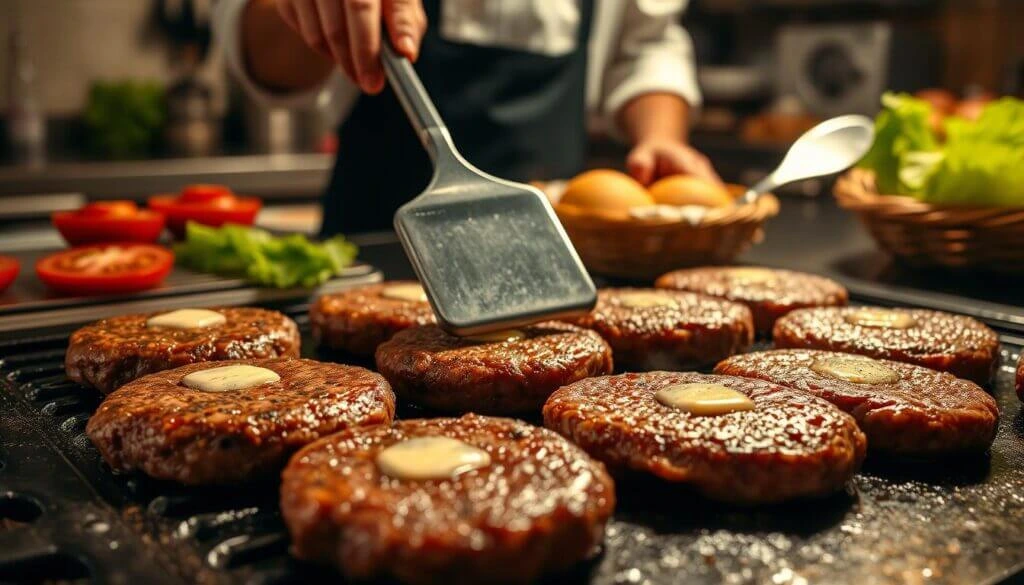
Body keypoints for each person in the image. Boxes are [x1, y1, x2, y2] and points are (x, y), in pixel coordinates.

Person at [214, 0, 720, 235]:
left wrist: (658, 137)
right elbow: (258, 55)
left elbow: (648, 42)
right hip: (380, 249)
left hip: (555, 258)